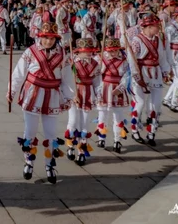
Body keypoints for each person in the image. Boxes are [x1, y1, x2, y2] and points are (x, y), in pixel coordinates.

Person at [8, 22, 75, 184]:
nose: (49, 41)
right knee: (30, 131)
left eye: (52, 38)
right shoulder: (30, 52)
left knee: (51, 134)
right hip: (33, 94)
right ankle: (29, 162)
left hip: (52, 95)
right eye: (46, 38)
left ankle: (49, 165)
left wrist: (69, 96)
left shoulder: (62, 54)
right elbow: (18, 73)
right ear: (40, 37)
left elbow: (66, 78)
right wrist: (11, 90)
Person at [128, 14, 169, 146]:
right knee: (139, 103)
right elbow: (131, 59)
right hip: (141, 73)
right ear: (149, 27)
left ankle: (151, 133)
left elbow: (162, 57)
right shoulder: (137, 40)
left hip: (155, 74)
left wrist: (165, 70)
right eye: (157, 26)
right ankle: (134, 130)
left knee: (155, 105)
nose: (159, 28)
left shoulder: (158, 40)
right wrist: (136, 76)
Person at [63, 38, 101, 166]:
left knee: (84, 124)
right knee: (73, 121)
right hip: (75, 93)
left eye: (91, 51)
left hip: (88, 94)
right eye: (86, 51)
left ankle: (81, 151)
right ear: (79, 51)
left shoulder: (96, 64)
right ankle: (70, 146)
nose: (89, 53)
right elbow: (67, 81)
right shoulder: (72, 62)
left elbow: (97, 82)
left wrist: (99, 95)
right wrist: (72, 94)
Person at [95, 38, 131, 154]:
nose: (113, 53)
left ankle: (117, 140)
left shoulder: (124, 60)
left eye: (115, 50)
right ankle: (101, 137)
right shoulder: (101, 58)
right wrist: (99, 88)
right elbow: (96, 75)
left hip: (117, 89)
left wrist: (121, 88)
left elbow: (126, 76)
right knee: (102, 114)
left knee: (118, 116)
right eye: (110, 51)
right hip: (104, 88)